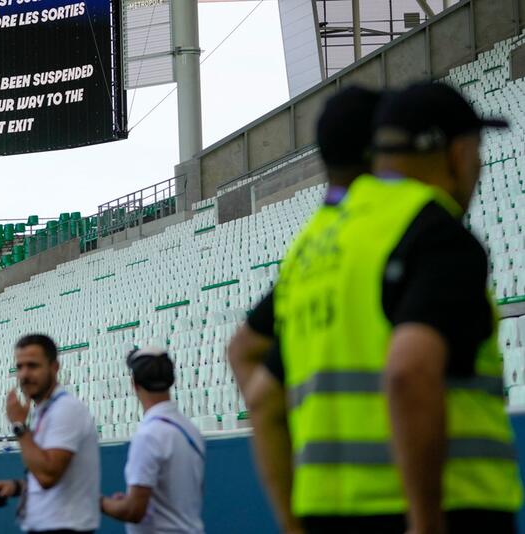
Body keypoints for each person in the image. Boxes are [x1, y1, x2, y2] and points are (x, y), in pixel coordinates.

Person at [244, 81, 524, 534]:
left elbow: (262, 397)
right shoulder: (433, 230)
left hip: (326, 513)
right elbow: (409, 371)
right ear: (456, 154)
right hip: (452, 507)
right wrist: (426, 522)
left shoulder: (315, 247)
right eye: (477, 151)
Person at [226, 85, 381, 534]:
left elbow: (243, 354)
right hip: (394, 500)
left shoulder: (307, 250)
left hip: (319, 498)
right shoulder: (396, 232)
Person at [0, 334, 101, 534]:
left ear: (54, 367)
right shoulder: (46, 410)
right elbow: (53, 476)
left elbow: (48, 476)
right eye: (19, 367)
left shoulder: (65, 409)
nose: (24, 374)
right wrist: (14, 487)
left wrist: (19, 427)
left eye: (32, 366)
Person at [101, 347, 204, 533]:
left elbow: (134, 511)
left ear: (134, 383)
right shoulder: (190, 429)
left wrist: (99, 502)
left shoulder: (149, 435)